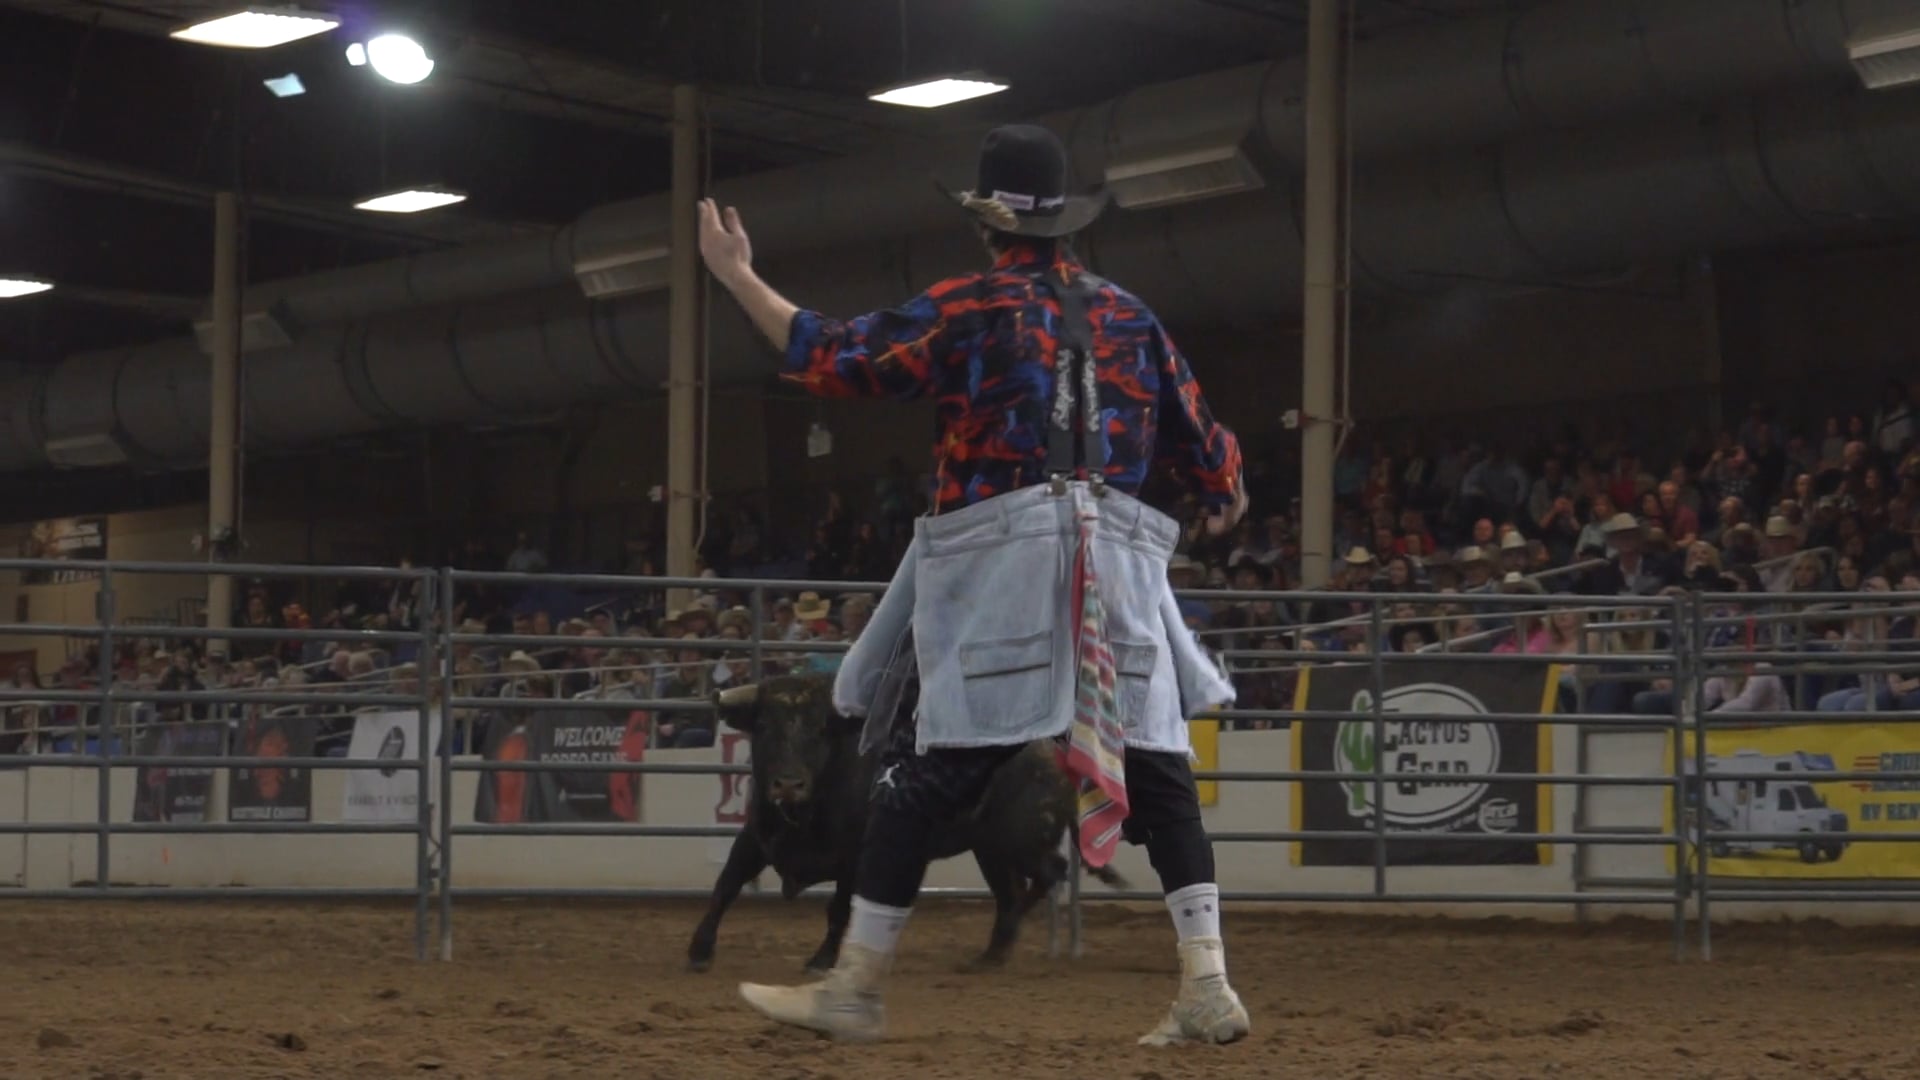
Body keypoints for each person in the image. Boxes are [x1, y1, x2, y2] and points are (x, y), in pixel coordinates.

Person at [697, 123, 1250, 1045]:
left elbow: (834, 357)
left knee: (930, 775)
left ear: (988, 222)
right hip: (1117, 557)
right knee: (1157, 771)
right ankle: (1207, 983)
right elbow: (1209, 449)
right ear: (1065, 222)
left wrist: (738, 276)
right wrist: (1224, 491)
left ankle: (855, 984)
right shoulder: (1129, 315)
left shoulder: (969, 308)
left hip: (1003, 555)